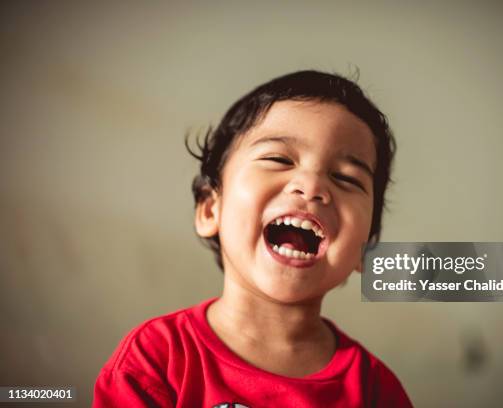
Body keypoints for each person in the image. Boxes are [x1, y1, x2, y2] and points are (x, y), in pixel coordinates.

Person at [93, 70, 413, 407]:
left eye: (346, 178)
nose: (312, 186)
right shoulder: (157, 360)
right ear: (209, 210)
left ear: (365, 251)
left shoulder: (377, 391)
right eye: (278, 159)